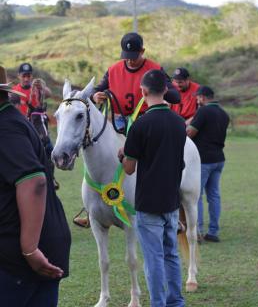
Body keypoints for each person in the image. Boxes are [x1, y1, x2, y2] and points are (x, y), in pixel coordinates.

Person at [74, 32, 180, 227]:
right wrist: (97, 96)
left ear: (143, 51)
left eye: (134, 57)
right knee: (96, 152)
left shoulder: (155, 69)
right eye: (126, 57)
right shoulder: (113, 69)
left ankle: (165, 207)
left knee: (153, 161)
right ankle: (92, 208)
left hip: (147, 123)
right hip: (118, 125)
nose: (130, 61)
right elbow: (100, 88)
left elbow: (175, 95)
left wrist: (164, 91)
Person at [0, 66, 71, 307]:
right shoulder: (11, 120)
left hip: (19, 259)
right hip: (33, 249)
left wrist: (29, 249)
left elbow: (34, 181)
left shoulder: (5, 127)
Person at [118, 69, 186, 307]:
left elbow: (128, 169)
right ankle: (176, 301)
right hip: (171, 201)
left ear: (143, 91)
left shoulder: (140, 124)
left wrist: (124, 153)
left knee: (154, 258)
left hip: (148, 203)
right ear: (166, 90)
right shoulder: (179, 123)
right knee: (171, 255)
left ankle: (158, 303)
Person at [186, 85, 229, 243]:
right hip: (219, 158)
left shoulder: (203, 111)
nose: (197, 101)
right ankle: (213, 231)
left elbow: (190, 132)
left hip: (203, 160)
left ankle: (197, 231)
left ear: (202, 97)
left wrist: (187, 123)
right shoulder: (224, 114)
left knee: (196, 196)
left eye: (197, 98)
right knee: (214, 196)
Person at [11, 63, 59, 190]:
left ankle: (51, 177)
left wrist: (43, 87)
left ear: (31, 76)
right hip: (22, 127)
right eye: (24, 76)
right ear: (19, 76)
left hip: (38, 126)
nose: (26, 78)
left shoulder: (37, 88)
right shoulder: (15, 91)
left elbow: (48, 93)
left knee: (49, 148)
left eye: (28, 76)